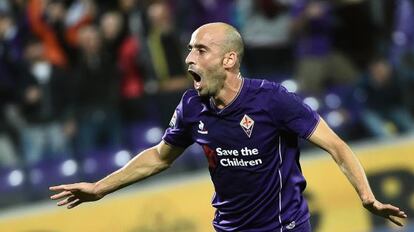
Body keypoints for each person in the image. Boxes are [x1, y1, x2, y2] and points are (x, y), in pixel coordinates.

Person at [50, 22, 407, 231]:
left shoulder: (272, 100)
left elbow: (337, 145)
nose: (189, 58)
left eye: (201, 50)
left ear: (229, 59)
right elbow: (159, 158)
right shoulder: (192, 106)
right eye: (190, 49)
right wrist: (99, 188)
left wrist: (366, 195)